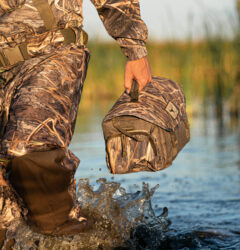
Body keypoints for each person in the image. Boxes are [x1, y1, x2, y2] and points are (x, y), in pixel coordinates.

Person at [0, 0, 152, 235]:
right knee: (7, 212)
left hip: (53, 53)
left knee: (29, 149)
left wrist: (135, 50)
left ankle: (75, 235)